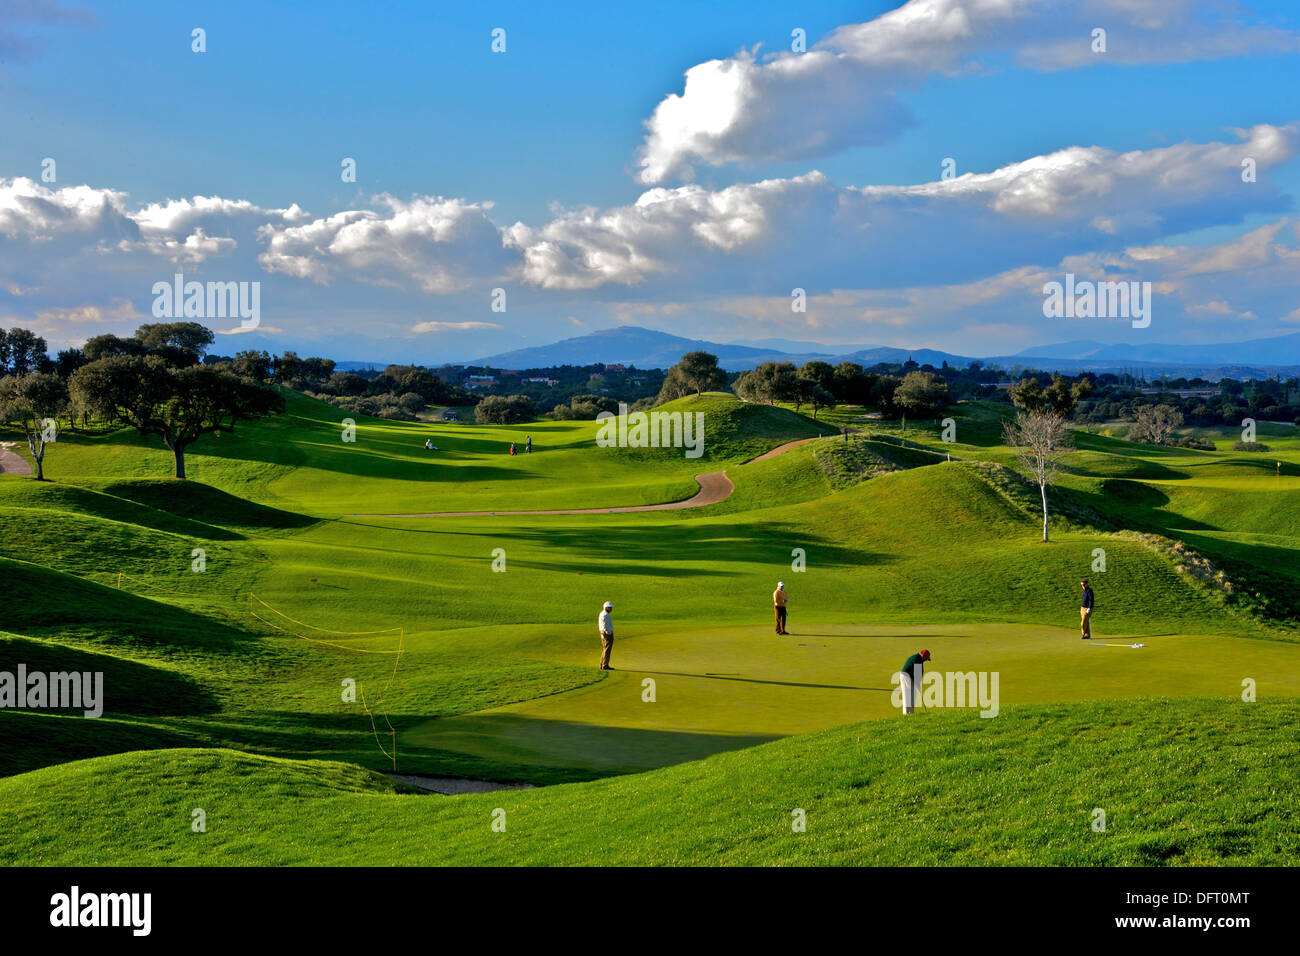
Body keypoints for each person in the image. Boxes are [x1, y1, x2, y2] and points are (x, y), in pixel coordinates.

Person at [899, 649, 930, 715]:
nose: (926, 660)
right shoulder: (917, 659)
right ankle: (906, 714)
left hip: (911, 678)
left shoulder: (919, 659)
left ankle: (911, 713)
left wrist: (918, 685)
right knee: (907, 696)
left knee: (913, 695)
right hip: (906, 677)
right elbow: (917, 675)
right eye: (926, 658)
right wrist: (918, 685)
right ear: (923, 656)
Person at [598, 601, 614, 670]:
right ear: (606, 607)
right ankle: (605, 665)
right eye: (610, 608)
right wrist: (609, 633)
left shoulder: (603, 613)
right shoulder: (605, 615)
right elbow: (605, 625)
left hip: (603, 632)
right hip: (607, 634)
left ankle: (602, 664)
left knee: (605, 649)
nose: (611, 609)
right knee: (607, 649)